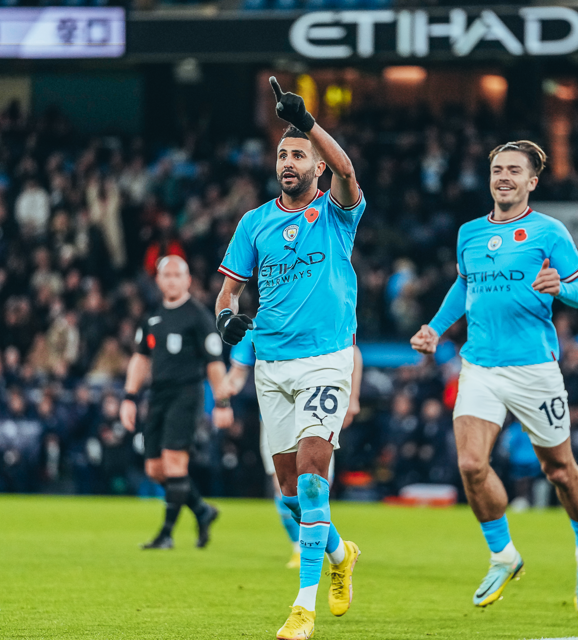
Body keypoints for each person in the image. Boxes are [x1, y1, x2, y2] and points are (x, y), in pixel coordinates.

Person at [410, 140, 578, 615]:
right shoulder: (469, 233)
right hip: (479, 364)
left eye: (514, 170)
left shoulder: (549, 231)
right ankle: (504, 555)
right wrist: (435, 328)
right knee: (472, 465)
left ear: (531, 181)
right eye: (497, 169)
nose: (504, 177)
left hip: (534, 368)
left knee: (559, 471)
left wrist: (564, 287)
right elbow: (464, 284)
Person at [213, 78, 363, 639]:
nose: (289, 161)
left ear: (316, 166)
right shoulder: (254, 223)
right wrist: (225, 319)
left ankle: (302, 609)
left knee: (312, 476)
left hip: (326, 360)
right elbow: (228, 293)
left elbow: (349, 173)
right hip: (271, 367)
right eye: (282, 154)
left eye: (298, 154)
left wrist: (309, 124)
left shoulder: (336, 214)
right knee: (291, 495)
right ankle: (341, 553)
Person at [216, 329, 363, 568]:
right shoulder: (257, 329)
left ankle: (321, 551)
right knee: (284, 488)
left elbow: (352, 352)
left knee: (315, 486)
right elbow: (237, 373)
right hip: (274, 418)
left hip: (316, 410)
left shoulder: (315, 316)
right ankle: (306, 547)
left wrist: (353, 397)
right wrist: (223, 398)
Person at [121, 255, 229, 549]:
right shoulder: (153, 317)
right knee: (155, 469)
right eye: (165, 275)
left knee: (174, 462)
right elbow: (140, 359)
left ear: (187, 280)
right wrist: (129, 397)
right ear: (158, 280)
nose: (171, 280)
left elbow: (214, 363)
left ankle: (166, 534)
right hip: (158, 396)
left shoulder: (198, 316)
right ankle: (202, 510)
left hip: (186, 394)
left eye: (176, 275)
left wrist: (222, 402)